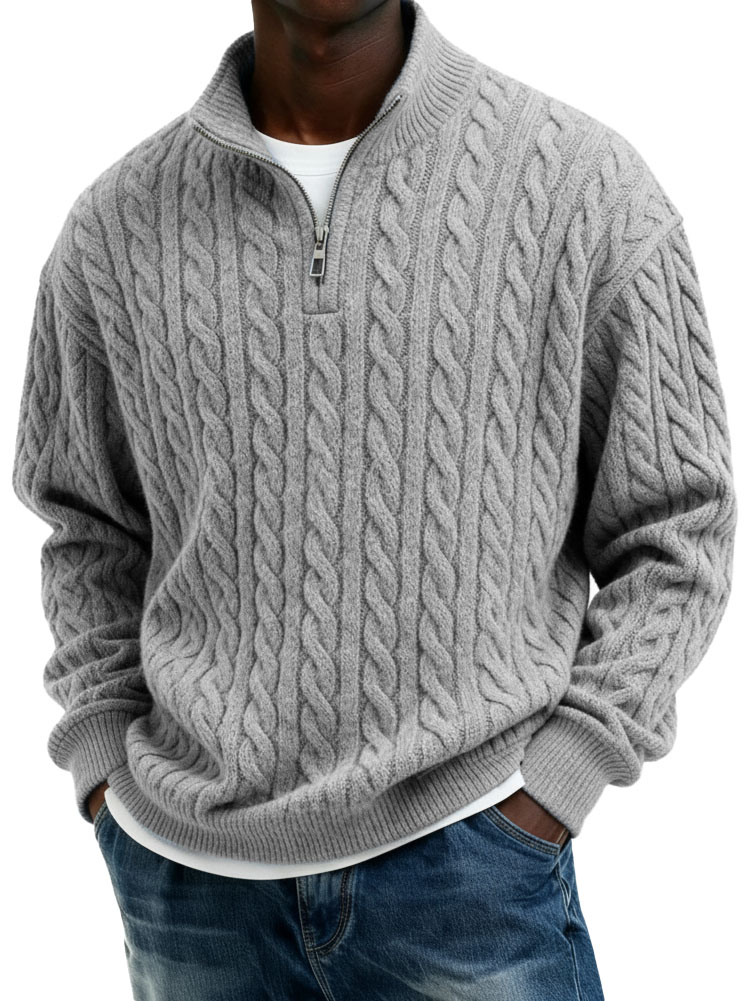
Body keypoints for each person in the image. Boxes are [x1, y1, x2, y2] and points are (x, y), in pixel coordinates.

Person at [11, 0, 737, 997]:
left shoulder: (581, 186)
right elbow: (87, 527)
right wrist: (105, 772)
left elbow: (682, 520)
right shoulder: (113, 229)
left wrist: (563, 776)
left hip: (473, 869)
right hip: (192, 895)